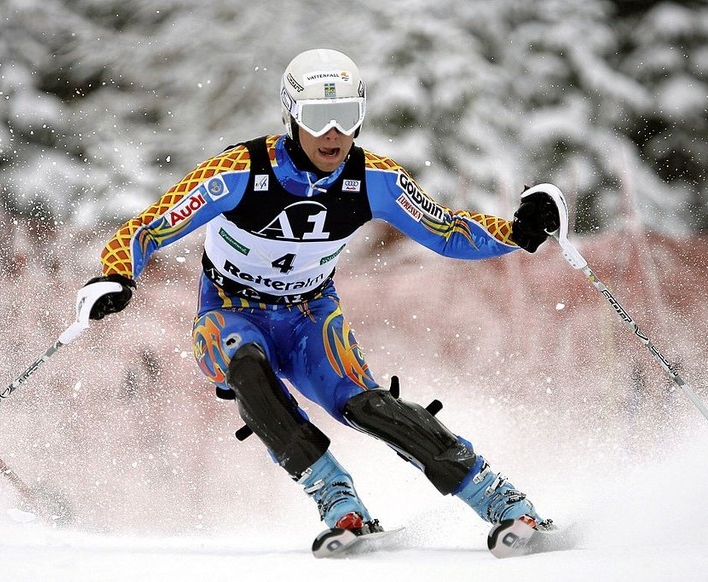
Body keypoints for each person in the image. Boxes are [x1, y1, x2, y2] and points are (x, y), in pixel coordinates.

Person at [82, 48, 561, 541]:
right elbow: (148, 228)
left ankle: (501, 499)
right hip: (229, 311)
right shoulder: (239, 171)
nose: (333, 134)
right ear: (291, 116)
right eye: (316, 118)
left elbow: (447, 232)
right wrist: (116, 276)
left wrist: (518, 231)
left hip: (309, 316)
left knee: (366, 405)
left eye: (347, 117)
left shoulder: (374, 179)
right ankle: (336, 498)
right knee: (247, 368)